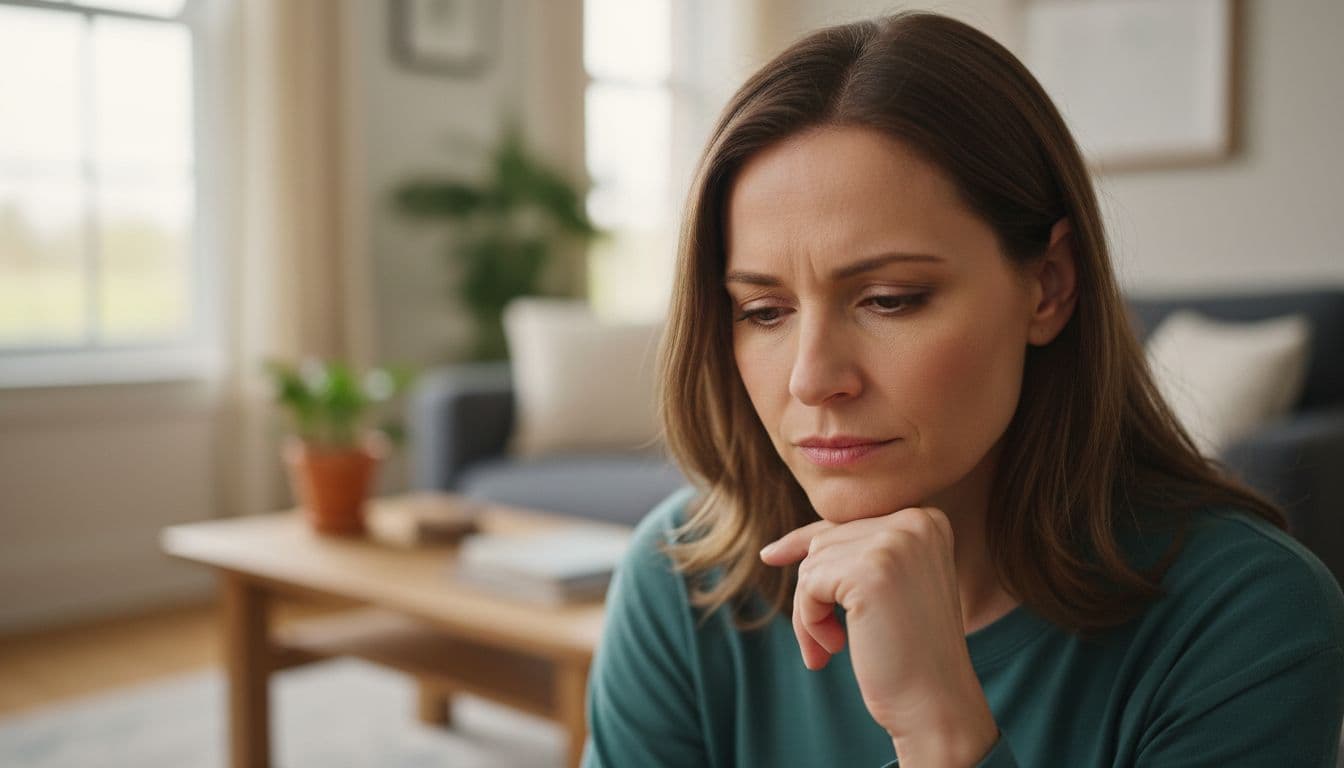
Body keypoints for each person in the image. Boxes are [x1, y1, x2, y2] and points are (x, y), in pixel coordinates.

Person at [580, 11, 1344, 767]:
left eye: (889, 299)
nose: (813, 378)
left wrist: (941, 731)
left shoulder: (1248, 617)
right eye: (763, 311)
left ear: (1048, 287)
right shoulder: (683, 581)